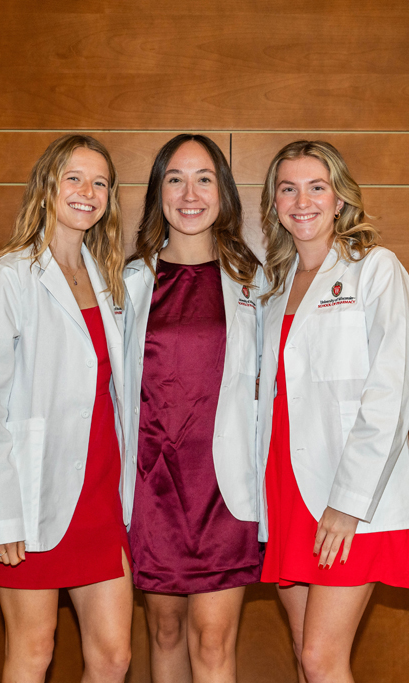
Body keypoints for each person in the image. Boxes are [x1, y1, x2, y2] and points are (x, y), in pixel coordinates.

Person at [256, 140, 409, 683]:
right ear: (274, 202)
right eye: (288, 188)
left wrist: (348, 504)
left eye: (316, 186)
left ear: (339, 199)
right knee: (308, 653)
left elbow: (393, 394)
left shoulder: (375, 269)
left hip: (350, 494)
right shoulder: (273, 285)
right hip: (288, 487)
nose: (301, 200)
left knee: (320, 659)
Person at [0, 134, 132, 683]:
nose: (88, 192)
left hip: (100, 497)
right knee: (32, 653)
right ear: (47, 188)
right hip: (31, 498)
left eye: (100, 182)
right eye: (74, 179)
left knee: (113, 658)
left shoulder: (109, 278)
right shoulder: (8, 278)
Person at [122, 133, 263, 683]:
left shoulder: (257, 283)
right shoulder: (130, 283)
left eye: (204, 178)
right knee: (165, 633)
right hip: (153, 484)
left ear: (223, 192)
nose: (189, 193)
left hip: (223, 487)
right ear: (158, 191)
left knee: (212, 641)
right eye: (174, 179)